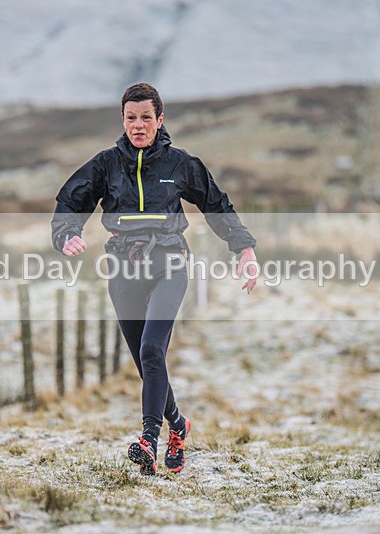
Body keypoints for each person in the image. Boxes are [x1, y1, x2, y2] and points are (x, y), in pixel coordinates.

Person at [51, 82, 258, 475]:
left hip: (169, 264)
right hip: (124, 268)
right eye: (131, 117)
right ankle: (178, 426)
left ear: (160, 120)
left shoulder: (180, 164)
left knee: (151, 350)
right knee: (147, 362)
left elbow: (216, 204)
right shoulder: (106, 165)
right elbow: (69, 201)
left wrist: (244, 249)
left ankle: (149, 439)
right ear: (123, 120)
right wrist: (66, 234)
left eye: (146, 117)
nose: (138, 125)